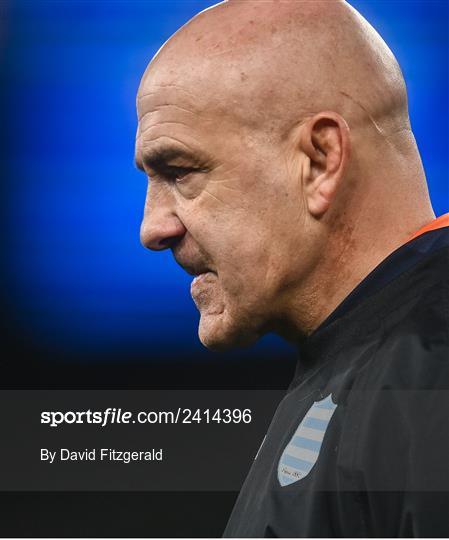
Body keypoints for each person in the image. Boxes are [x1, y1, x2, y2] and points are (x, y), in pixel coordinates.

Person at [134, 0, 448, 536]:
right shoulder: (370, 356)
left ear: (320, 160)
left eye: (180, 171)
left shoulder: (428, 369)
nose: (152, 227)